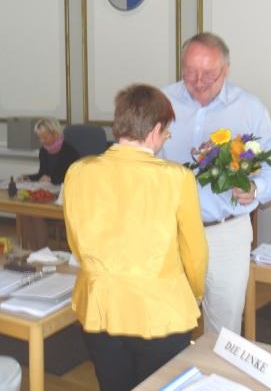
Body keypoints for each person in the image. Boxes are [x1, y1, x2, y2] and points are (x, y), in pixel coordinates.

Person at [63, 84, 208, 391]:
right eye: (166, 133)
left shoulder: (78, 171)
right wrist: (193, 291)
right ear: (155, 129)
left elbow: (75, 240)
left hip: (100, 305)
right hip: (160, 311)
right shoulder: (176, 178)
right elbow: (194, 252)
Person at [160, 32, 271, 335]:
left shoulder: (250, 108)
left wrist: (255, 189)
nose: (198, 80)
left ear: (226, 70)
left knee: (223, 332)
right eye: (190, 71)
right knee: (167, 326)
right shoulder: (161, 103)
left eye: (208, 73)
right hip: (169, 232)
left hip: (225, 233)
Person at [20, 117, 79, 249]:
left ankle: (42, 251)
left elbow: (73, 177)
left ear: (55, 134)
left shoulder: (69, 152)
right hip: (48, 193)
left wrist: (52, 179)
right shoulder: (44, 151)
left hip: (64, 197)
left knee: (35, 212)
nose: (42, 141)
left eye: (45, 138)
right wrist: (29, 177)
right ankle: (34, 251)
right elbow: (43, 174)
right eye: (39, 138)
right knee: (25, 211)